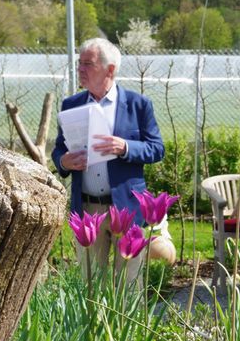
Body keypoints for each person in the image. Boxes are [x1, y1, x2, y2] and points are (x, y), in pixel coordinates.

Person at [52, 37, 165, 278]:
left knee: (129, 284)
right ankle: (92, 319)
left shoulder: (138, 105)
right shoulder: (70, 104)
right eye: (79, 64)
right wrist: (64, 162)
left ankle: (123, 319)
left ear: (110, 69)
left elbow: (156, 148)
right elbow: (59, 149)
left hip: (126, 207)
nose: (80, 70)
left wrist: (125, 147)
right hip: (88, 207)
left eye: (87, 64)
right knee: (89, 282)